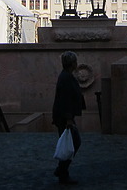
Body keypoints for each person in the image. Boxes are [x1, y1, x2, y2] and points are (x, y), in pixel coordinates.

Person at [52, 51, 86, 185]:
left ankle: (62, 171)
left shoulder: (66, 76)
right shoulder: (66, 78)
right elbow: (65, 100)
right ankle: (62, 170)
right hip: (65, 117)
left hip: (65, 116)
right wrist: (68, 119)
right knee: (74, 142)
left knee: (71, 142)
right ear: (72, 63)